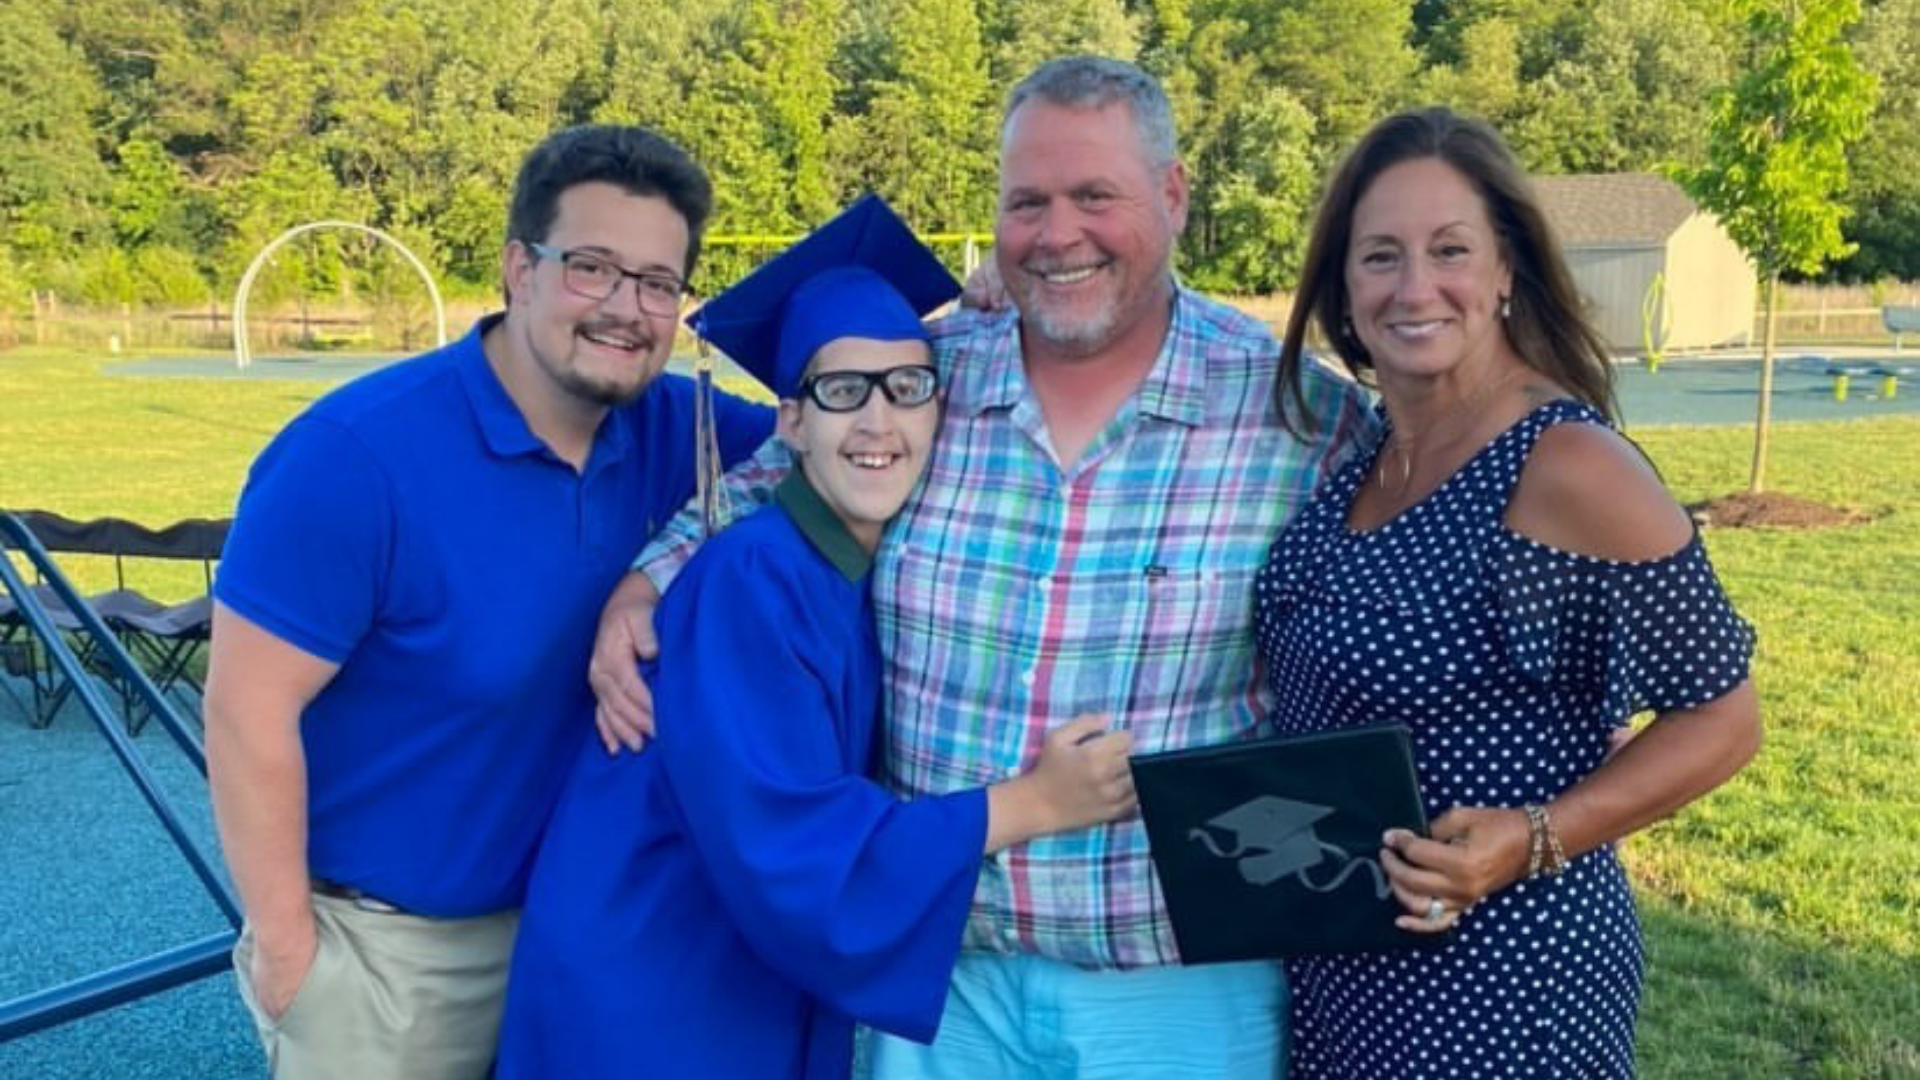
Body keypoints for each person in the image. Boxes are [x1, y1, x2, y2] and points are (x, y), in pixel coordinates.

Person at [591, 57, 1374, 1078]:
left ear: (1174, 195)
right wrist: (642, 582)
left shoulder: (1302, 422)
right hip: (939, 987)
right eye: (1027, 203)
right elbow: (755, 490)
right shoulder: (918, 379)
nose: (1058, 235)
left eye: (1097, 196)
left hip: (1174, 993)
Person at [494, 194, 1139, 1080]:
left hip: (728, 963)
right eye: (841, 392)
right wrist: (1035, 805)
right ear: (790, 423)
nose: (878, 423)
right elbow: (791, 844)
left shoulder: (848, 568)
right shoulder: (754, 580)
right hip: (657, 984)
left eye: (907, 388)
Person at [203, 125, 774, 1080]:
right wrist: (289, 951)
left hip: (581, 937)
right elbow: (245, 708)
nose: (627, 309)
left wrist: (979, 319)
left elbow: (856, 419)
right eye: (592, 268)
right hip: (393, 959)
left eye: (658, 283)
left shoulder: (686, 432)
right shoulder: (357, 457)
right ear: (518, 267)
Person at [1257, 106, 1762, 1078]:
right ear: (1342, 286)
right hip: (1347, 971)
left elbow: (1725, 721)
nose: (1414, 287)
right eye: (1379, 257)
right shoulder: (1365, 446)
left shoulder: (1566, 463)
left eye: (1450, 249)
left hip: (1503, 979)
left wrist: (1531, 840)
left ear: (1504, 271)